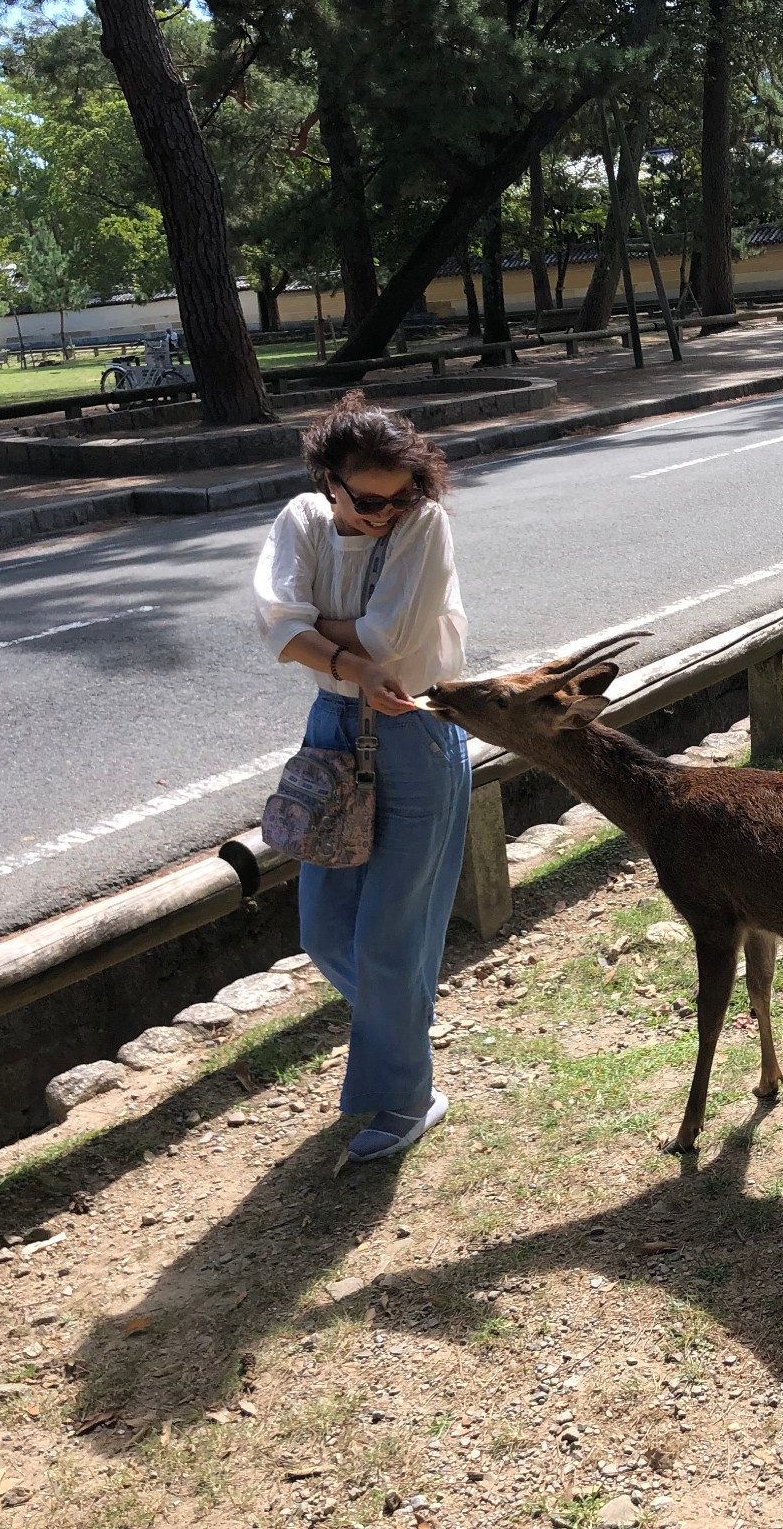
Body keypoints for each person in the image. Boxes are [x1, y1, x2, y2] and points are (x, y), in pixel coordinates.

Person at [252, 391, 471, 1165]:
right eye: (369, 498)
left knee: (388, 938)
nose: (387, 512)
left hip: (417, 731)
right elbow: (278, 627)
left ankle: (406, 1098)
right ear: (329, 483)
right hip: (333, 727)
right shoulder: (302, 522)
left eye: (402, 493)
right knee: (324, 930)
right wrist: (345, 659)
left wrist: (314, 631)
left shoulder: (425, 524)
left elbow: (391, 636)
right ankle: (402, 1027)